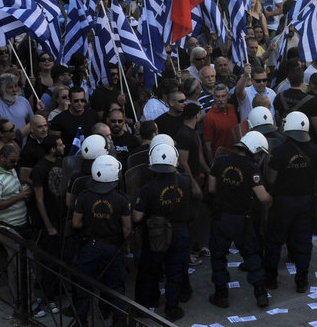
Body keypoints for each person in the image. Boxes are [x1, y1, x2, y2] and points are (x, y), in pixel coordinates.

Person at [206, 131, 272, 309]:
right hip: (243, 219)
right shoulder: (252, 169)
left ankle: (221, 295)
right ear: (253, 150)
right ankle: (260, 294)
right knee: (251, 255)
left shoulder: (220, 162)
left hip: (221, 217)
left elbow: (211, 189)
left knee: (218, 257)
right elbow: (263, 198)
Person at [133, 143, 197, 321]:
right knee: (175, 271)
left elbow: (137, 217)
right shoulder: (184, 181)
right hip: (180, 233)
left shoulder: (147, 189)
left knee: (149, 269)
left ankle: (145, 304)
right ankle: (172, 308)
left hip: (155, 235)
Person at [264, 112, 317, 294]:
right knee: (303, 242)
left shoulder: (280, 151)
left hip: (282, 202)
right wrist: (316, 194)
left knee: (274, 241)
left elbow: (270, 177)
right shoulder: (316, 151)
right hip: (305, 201)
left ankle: (271, 279)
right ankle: (301, 280)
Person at [71, 155, 132, 324]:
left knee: (83, 287)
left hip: (89, 246)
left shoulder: (84, 196)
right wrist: (126, 247)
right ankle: (118, 321)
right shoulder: (121, 199)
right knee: (116, 286)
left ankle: (81, 320)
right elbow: (127, 228)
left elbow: (76, 223)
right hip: (112, 247)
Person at [0, 143, 30, 304]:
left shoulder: (11, 170)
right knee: (20, 264)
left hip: (20, 225)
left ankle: (22, 300)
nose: (14, 164)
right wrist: (19, 197)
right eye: (12, 161)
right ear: (2, 158)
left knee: (15, 264)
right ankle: (22, 302)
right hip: (7, 228)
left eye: (16, 161)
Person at [29, 135, 65, 315]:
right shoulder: (40, 169)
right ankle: (48, 298)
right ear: (52, 149)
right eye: (60, 144)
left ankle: (58, 292)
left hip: (61, 218)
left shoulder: (61, 163)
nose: (63, 146)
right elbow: (39, 200)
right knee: (48, 263)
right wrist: (48, 225)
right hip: (47, 223)